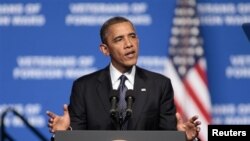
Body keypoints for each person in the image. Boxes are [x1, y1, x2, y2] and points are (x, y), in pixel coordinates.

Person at [47, 16, 201, 141]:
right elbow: (78, 139)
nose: (129, 44)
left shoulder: (160, 85)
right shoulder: (84, 87)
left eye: (132, 37)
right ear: (105, 49)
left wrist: (181, 138)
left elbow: (167, 138)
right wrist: (62, 134)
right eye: (119, 39)